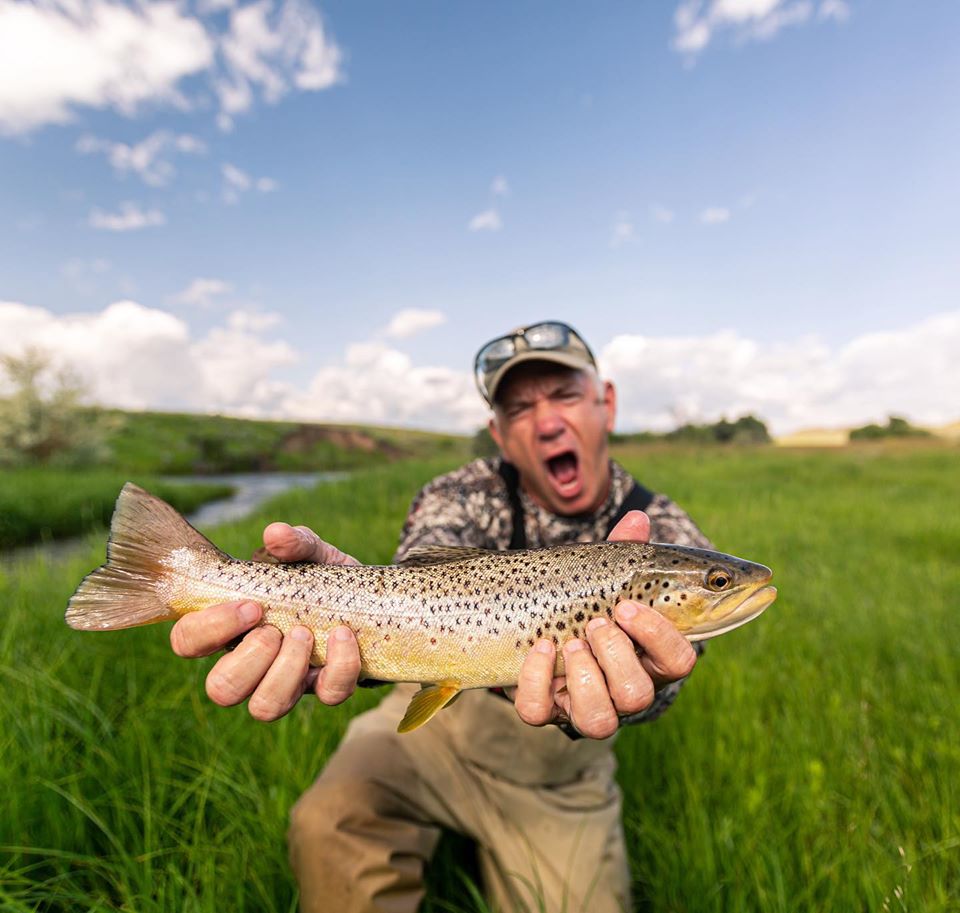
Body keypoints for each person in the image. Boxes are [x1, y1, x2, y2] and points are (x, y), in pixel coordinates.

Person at [169, 321, 712, 913]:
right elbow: (415, 586)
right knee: (326, 822)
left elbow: (678, 668)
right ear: (499, 433)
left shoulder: (664, 530)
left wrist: (647, 684)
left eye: (564, 394)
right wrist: (316, 610)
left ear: (605, 403)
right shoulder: (458, 493)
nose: (548, 420)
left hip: (560, 775)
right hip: (438, 731)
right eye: (520, 407)